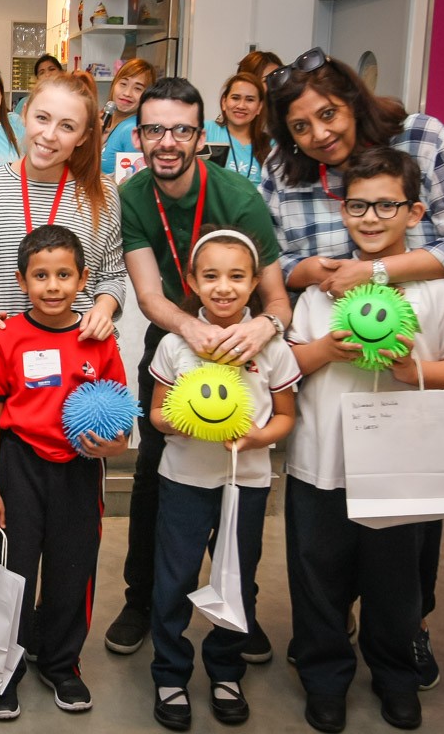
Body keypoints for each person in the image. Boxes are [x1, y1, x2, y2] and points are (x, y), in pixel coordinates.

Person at [262, 48, 444, 685]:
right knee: (325, 529)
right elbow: (269, 257)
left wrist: (377, 272)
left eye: (327, 114)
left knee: (406, 532)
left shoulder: (422, 137)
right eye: (300, 127)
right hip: (328, 366)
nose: (319, 134)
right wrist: (310, 273)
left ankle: (406, 632)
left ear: (353, 99)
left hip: (412, 367)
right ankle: (327, 632)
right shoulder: (284, 170)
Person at [284, 147, 444, 733]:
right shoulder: (322, 291)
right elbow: (287, 366)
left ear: (414, 212)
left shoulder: (436, 290)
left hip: (402, 468)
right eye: (357, 206)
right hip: (322, 463)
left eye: (386, 206)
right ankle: (325, 679)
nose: (370, 218)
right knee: (318, 577)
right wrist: (327, 349)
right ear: (341, 210)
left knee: (396, 583)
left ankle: (396, 676)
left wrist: (411, 370)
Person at [105, 77, 292, 663]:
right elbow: (149, 295)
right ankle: (142, 601)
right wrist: (191, 331)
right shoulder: (134, 195)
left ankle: (238, 607)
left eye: (181, 130)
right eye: (154, 129)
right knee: (156, 472)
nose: (167, 141)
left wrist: (262, 328)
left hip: (241, 340)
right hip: (176, 340)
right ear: (139, 135)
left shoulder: (238, 196)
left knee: (236, 476)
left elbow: (277, 300)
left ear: (201, 135)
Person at [146, 226, 299, 731]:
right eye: (210, 276)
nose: (224, 287)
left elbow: (285, 417)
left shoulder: (272, 347)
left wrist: (256, 439)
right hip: (184, 480)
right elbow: (157, 416)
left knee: (236, 578)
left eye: (237, 276)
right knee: (174, 579)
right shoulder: (176, 344)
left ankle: (226, 670)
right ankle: (170, 674)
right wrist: (185, 420)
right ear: (192, 282)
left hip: (246, 484)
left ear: (255, 283)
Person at [0, 225, 129, 719]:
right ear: (22, 281)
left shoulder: (99, 340)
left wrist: (118, 444)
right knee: (12, 573)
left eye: (64, 275)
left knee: (72, 571)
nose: (53, 286)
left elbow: (121, 417)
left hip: (79, 470)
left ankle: (61, 664)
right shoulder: (6, 338)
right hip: (18, 466)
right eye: (40, 276)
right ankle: (4, 669)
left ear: (83, 279)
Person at [0, 69, 125, 350]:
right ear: (24, 115)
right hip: (8, 354)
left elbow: (112, 276)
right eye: (42, 118)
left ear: (83, 136)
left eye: (67, 126)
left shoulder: (101, 192)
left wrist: (103, 311)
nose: (49, 135)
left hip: (83, 352)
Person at [203, 72, 271, 184]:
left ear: (259, 107)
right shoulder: (206, 130)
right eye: (235, 98)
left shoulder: (270, 144)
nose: (241, 106)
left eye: (250, 100)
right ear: (224, 102)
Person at [101, 58, 157, 175]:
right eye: (123, 84)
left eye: (138, 88)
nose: (127, 93)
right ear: (114, 84)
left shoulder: (131, 130)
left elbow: (133, 181)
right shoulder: (107, 122)